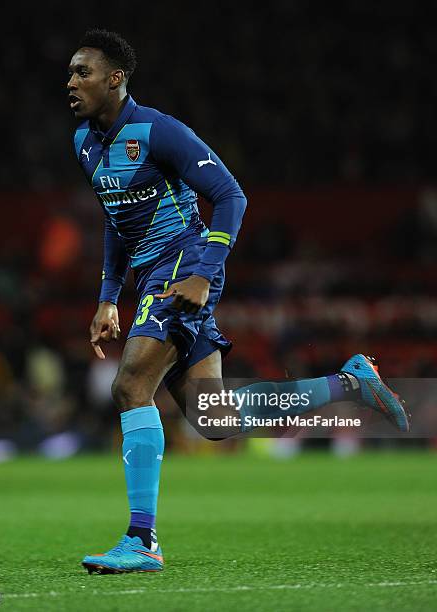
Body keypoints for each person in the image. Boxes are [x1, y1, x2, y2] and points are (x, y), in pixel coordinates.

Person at [67, 29, 409, 575]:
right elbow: (114, 221)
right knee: (213, 417)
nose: (72, 82)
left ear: (115, 78)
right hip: (154, 276)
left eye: (83, 72)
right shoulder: (84, 141)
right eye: (69, 72)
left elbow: (230, 195)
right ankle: (348, 383)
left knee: (131, 385)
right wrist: (108, 298)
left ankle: (141, 538)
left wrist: (205, 272)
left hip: (182, 264)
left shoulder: (158, 131)